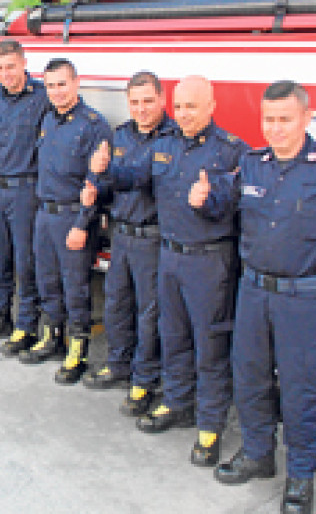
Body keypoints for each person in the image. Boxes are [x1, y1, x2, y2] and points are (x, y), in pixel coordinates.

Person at [201, 81, 316, 514]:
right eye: (269, 120)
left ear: (305, 117)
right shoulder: (252, 165)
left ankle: (301, 473)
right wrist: (204, 198)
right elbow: (222, 208)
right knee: (250, 376)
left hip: (305, 296)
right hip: (254, 292)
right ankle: (258, 454)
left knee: (301, 386)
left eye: (284, 119)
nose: (275, 129)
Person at [87, 75, 248, 467]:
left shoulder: (232, 152)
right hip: (169, 256)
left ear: (211, 106)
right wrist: (104, 171)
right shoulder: (164, 145)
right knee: (172, 335)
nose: (184, 114)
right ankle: (177, 402)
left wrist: (212, 199)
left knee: (209, 345)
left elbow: (246, 206)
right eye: (179, 107)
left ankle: (210, 425)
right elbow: (132, 177)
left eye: (192, 106)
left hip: (210, 261)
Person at [78, 72, 175, 409]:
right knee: (116, 303)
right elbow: (115, 187)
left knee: (150, 313)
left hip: (153, 237)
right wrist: (97, 190)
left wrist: (106, 171)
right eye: (134, 102)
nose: (142, 108)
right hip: (123, 234)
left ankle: (145, 379)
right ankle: (119, 364)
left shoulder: (173, 139)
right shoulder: (121, 136)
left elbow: (143, 178)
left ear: (163, 99)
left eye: (148, 100)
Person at [18, 58, 111, 385]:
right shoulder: (48, 120)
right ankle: (52, 337)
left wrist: (83, 224)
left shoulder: (92, 125)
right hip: (45, 214)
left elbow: (96, 182)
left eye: (62, 84)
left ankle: (78, 350)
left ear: (76, 83)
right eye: (51, 85)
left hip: (73, 217)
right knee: (47, 281)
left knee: (76, 288)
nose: (56, 92)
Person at [0, 39, 48, 352]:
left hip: (26, 190)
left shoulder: (42, 98)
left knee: (25, 262)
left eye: (11, 67)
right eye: (0, 68)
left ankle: (26, 324)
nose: (6, 74)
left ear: (23, 63)